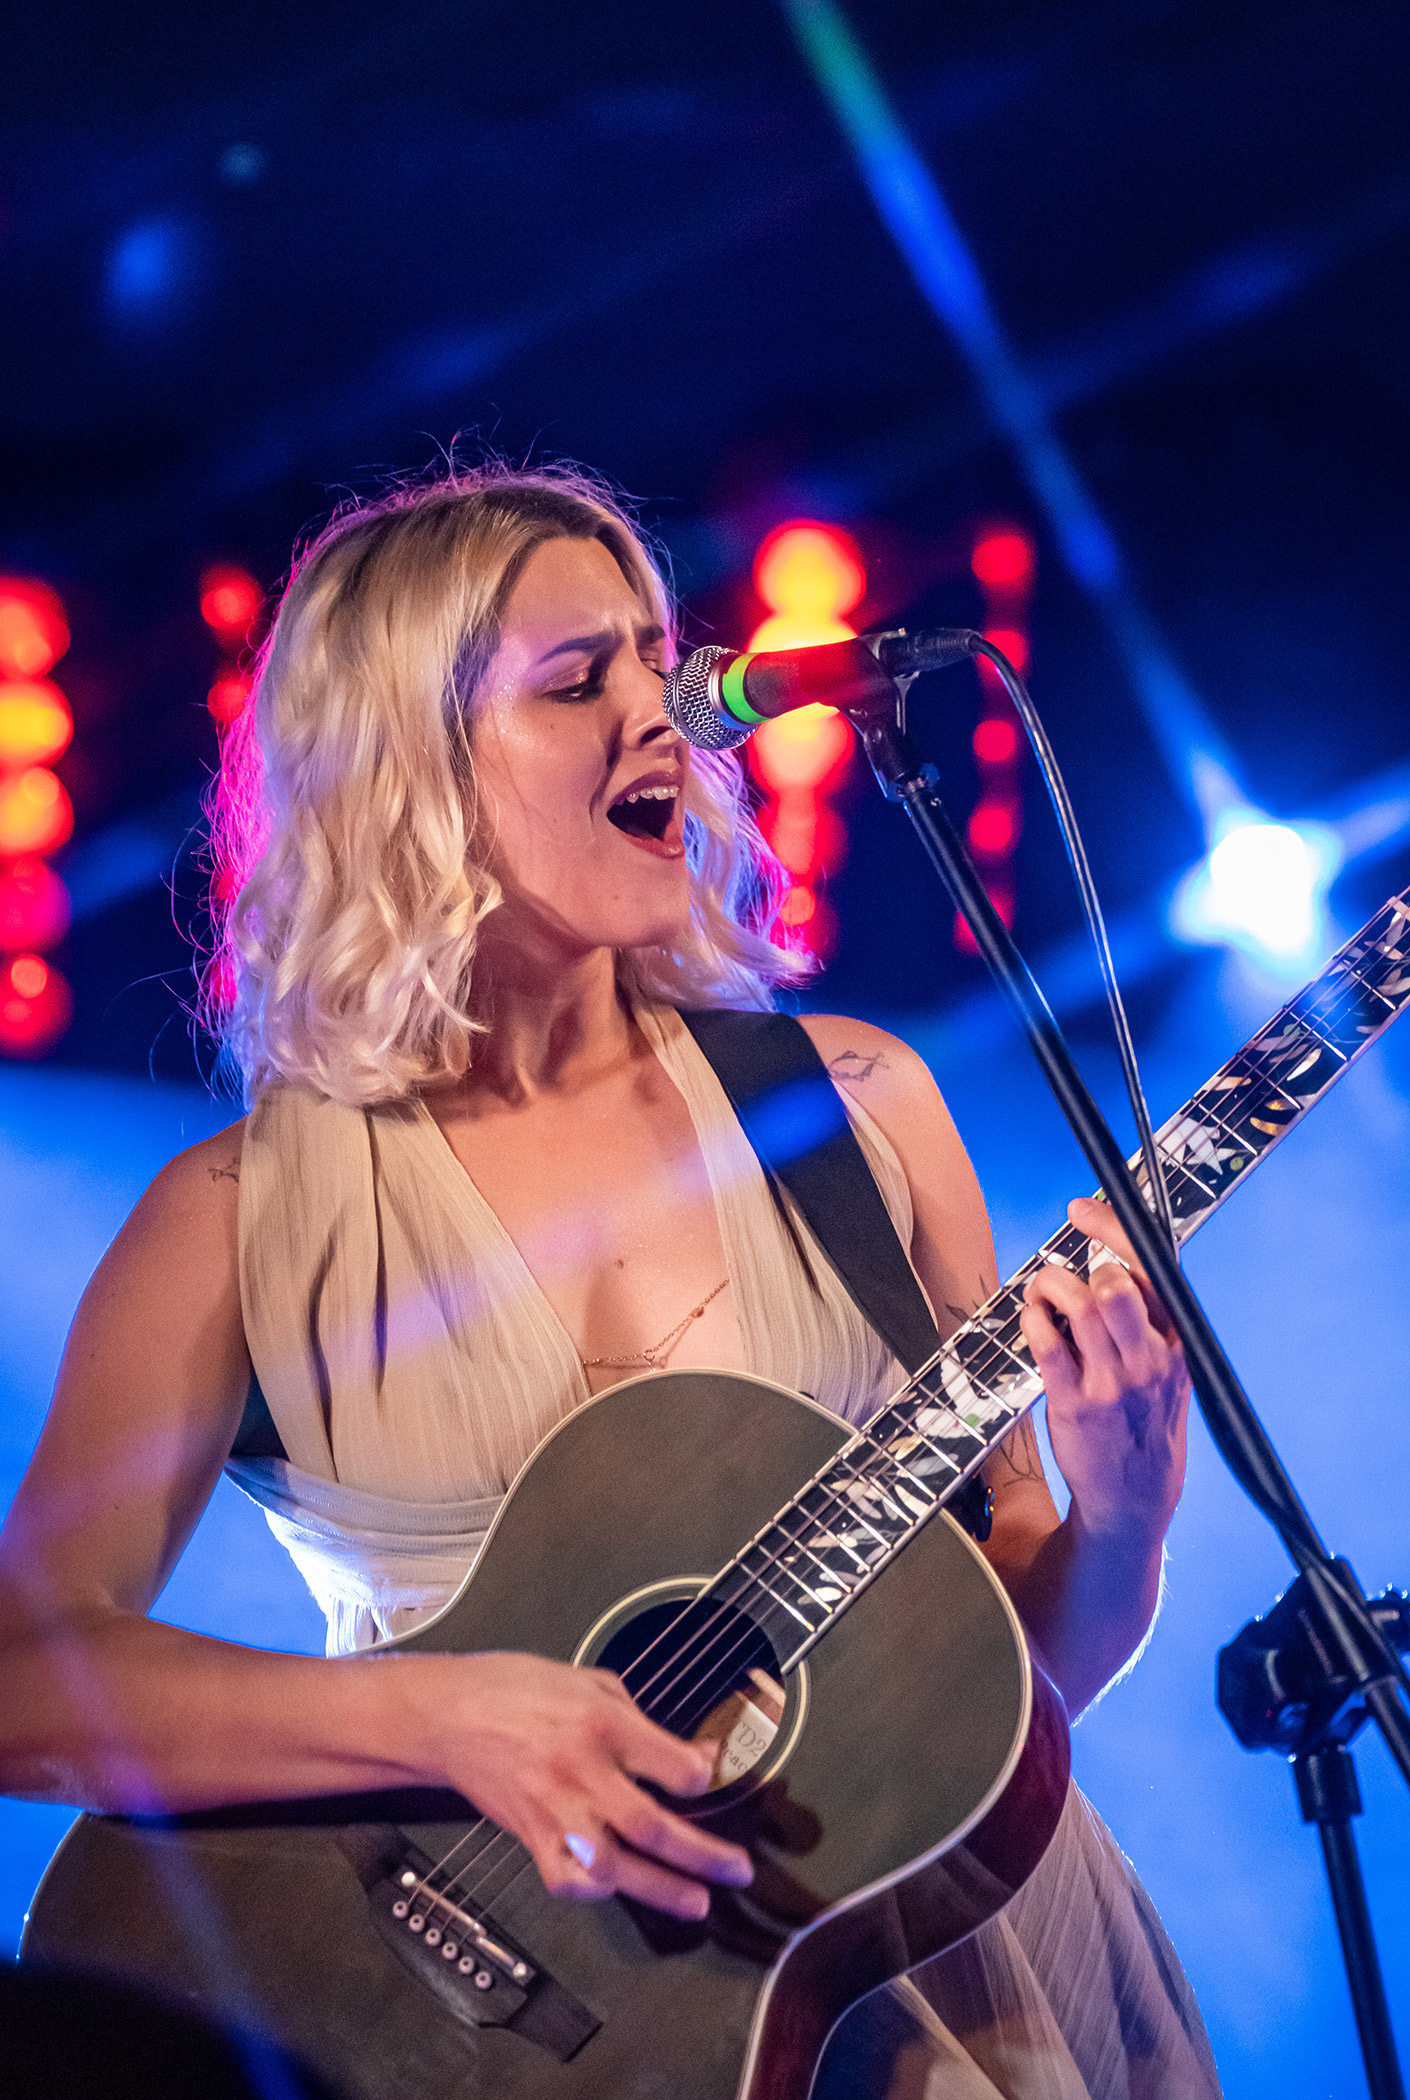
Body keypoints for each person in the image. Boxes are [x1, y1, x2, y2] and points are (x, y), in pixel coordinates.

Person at [0, 464, 1219, 2096]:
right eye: (579, 681)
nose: (665, 715)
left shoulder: (852, 1108)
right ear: (409, 768)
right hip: (508, 2029)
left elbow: (1003, 1698)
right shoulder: (237, 1219)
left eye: (654, 660)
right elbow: (23, 1680)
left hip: (927, 1972)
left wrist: (1124, 1520)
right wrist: (450, 1718)